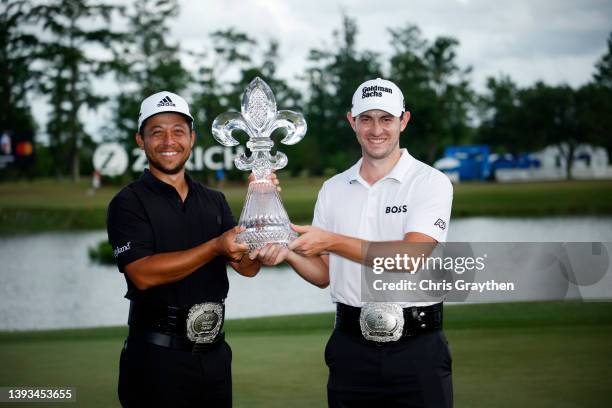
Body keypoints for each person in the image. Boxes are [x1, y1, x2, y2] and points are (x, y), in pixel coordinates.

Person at [253, 78, 454, 407]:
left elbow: (410, 258)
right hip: (350, 349)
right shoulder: (333, 188)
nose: (376, 129)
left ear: (403, 121)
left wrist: (329, 240)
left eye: (386, 119)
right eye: (366, 119)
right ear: (352, 121)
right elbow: (323, 274)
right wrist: (289, 249)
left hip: (417, 350)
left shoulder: (430, 182)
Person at [107, 91, 266, 407]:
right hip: (156, 359)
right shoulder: (128, 203)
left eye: (178, 130)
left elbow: (248, 267)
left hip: (214, 355)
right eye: (157, 131)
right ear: (140, 140)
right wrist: (214, 247)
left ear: (191, 138)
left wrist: (259, 219)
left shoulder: (214, 200)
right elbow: (142, 274)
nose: (169, 140)